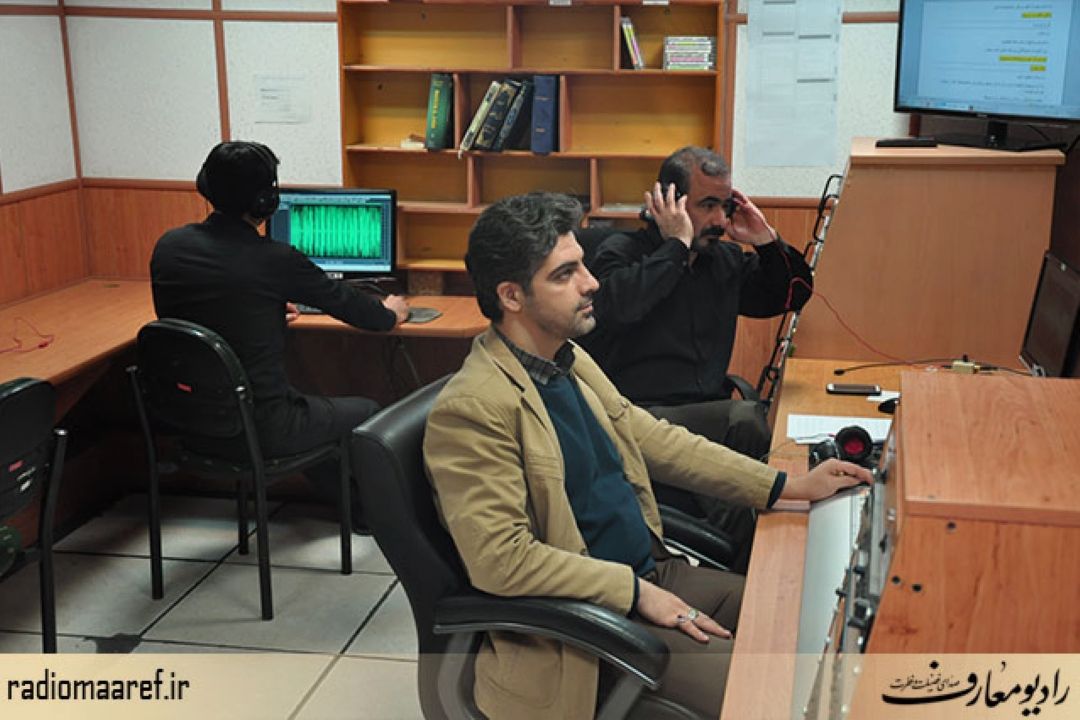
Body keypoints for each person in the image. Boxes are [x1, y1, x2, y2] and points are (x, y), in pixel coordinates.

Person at [423, 191, 870, 720]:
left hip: (649, 577)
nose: (591, 283)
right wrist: (635, 593)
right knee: (785, 695)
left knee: (808, 619)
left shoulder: (566, 359)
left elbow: (653, 438)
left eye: (583, 265)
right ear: (511, 296)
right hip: (585, 635)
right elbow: (502, 561)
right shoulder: (473, 409)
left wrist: (785, 486)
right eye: (565, 274)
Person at [150, 141, 408, 524]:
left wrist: (262, 312)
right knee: (367, 411)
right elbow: (355, 310)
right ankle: (375, 515)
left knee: (310, 413)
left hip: (187, 423)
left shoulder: (169, 248)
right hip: (260, 428)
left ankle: (357, 510)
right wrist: (390, 313)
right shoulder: (275, 260)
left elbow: (196, 318)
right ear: (267, 201)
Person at [579, 146, 814, 559]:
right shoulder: (619, 253)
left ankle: (753, 548)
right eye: (708, 206)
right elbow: (619, 307)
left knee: (749, 430)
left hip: (706, 416)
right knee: (744, 421)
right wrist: (676, 246)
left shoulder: (720, 260)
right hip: (637, 417)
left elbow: (793, 294)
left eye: (726, 206)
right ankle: (749, 556)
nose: (720, 221)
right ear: (669, 201)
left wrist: (765, 240)